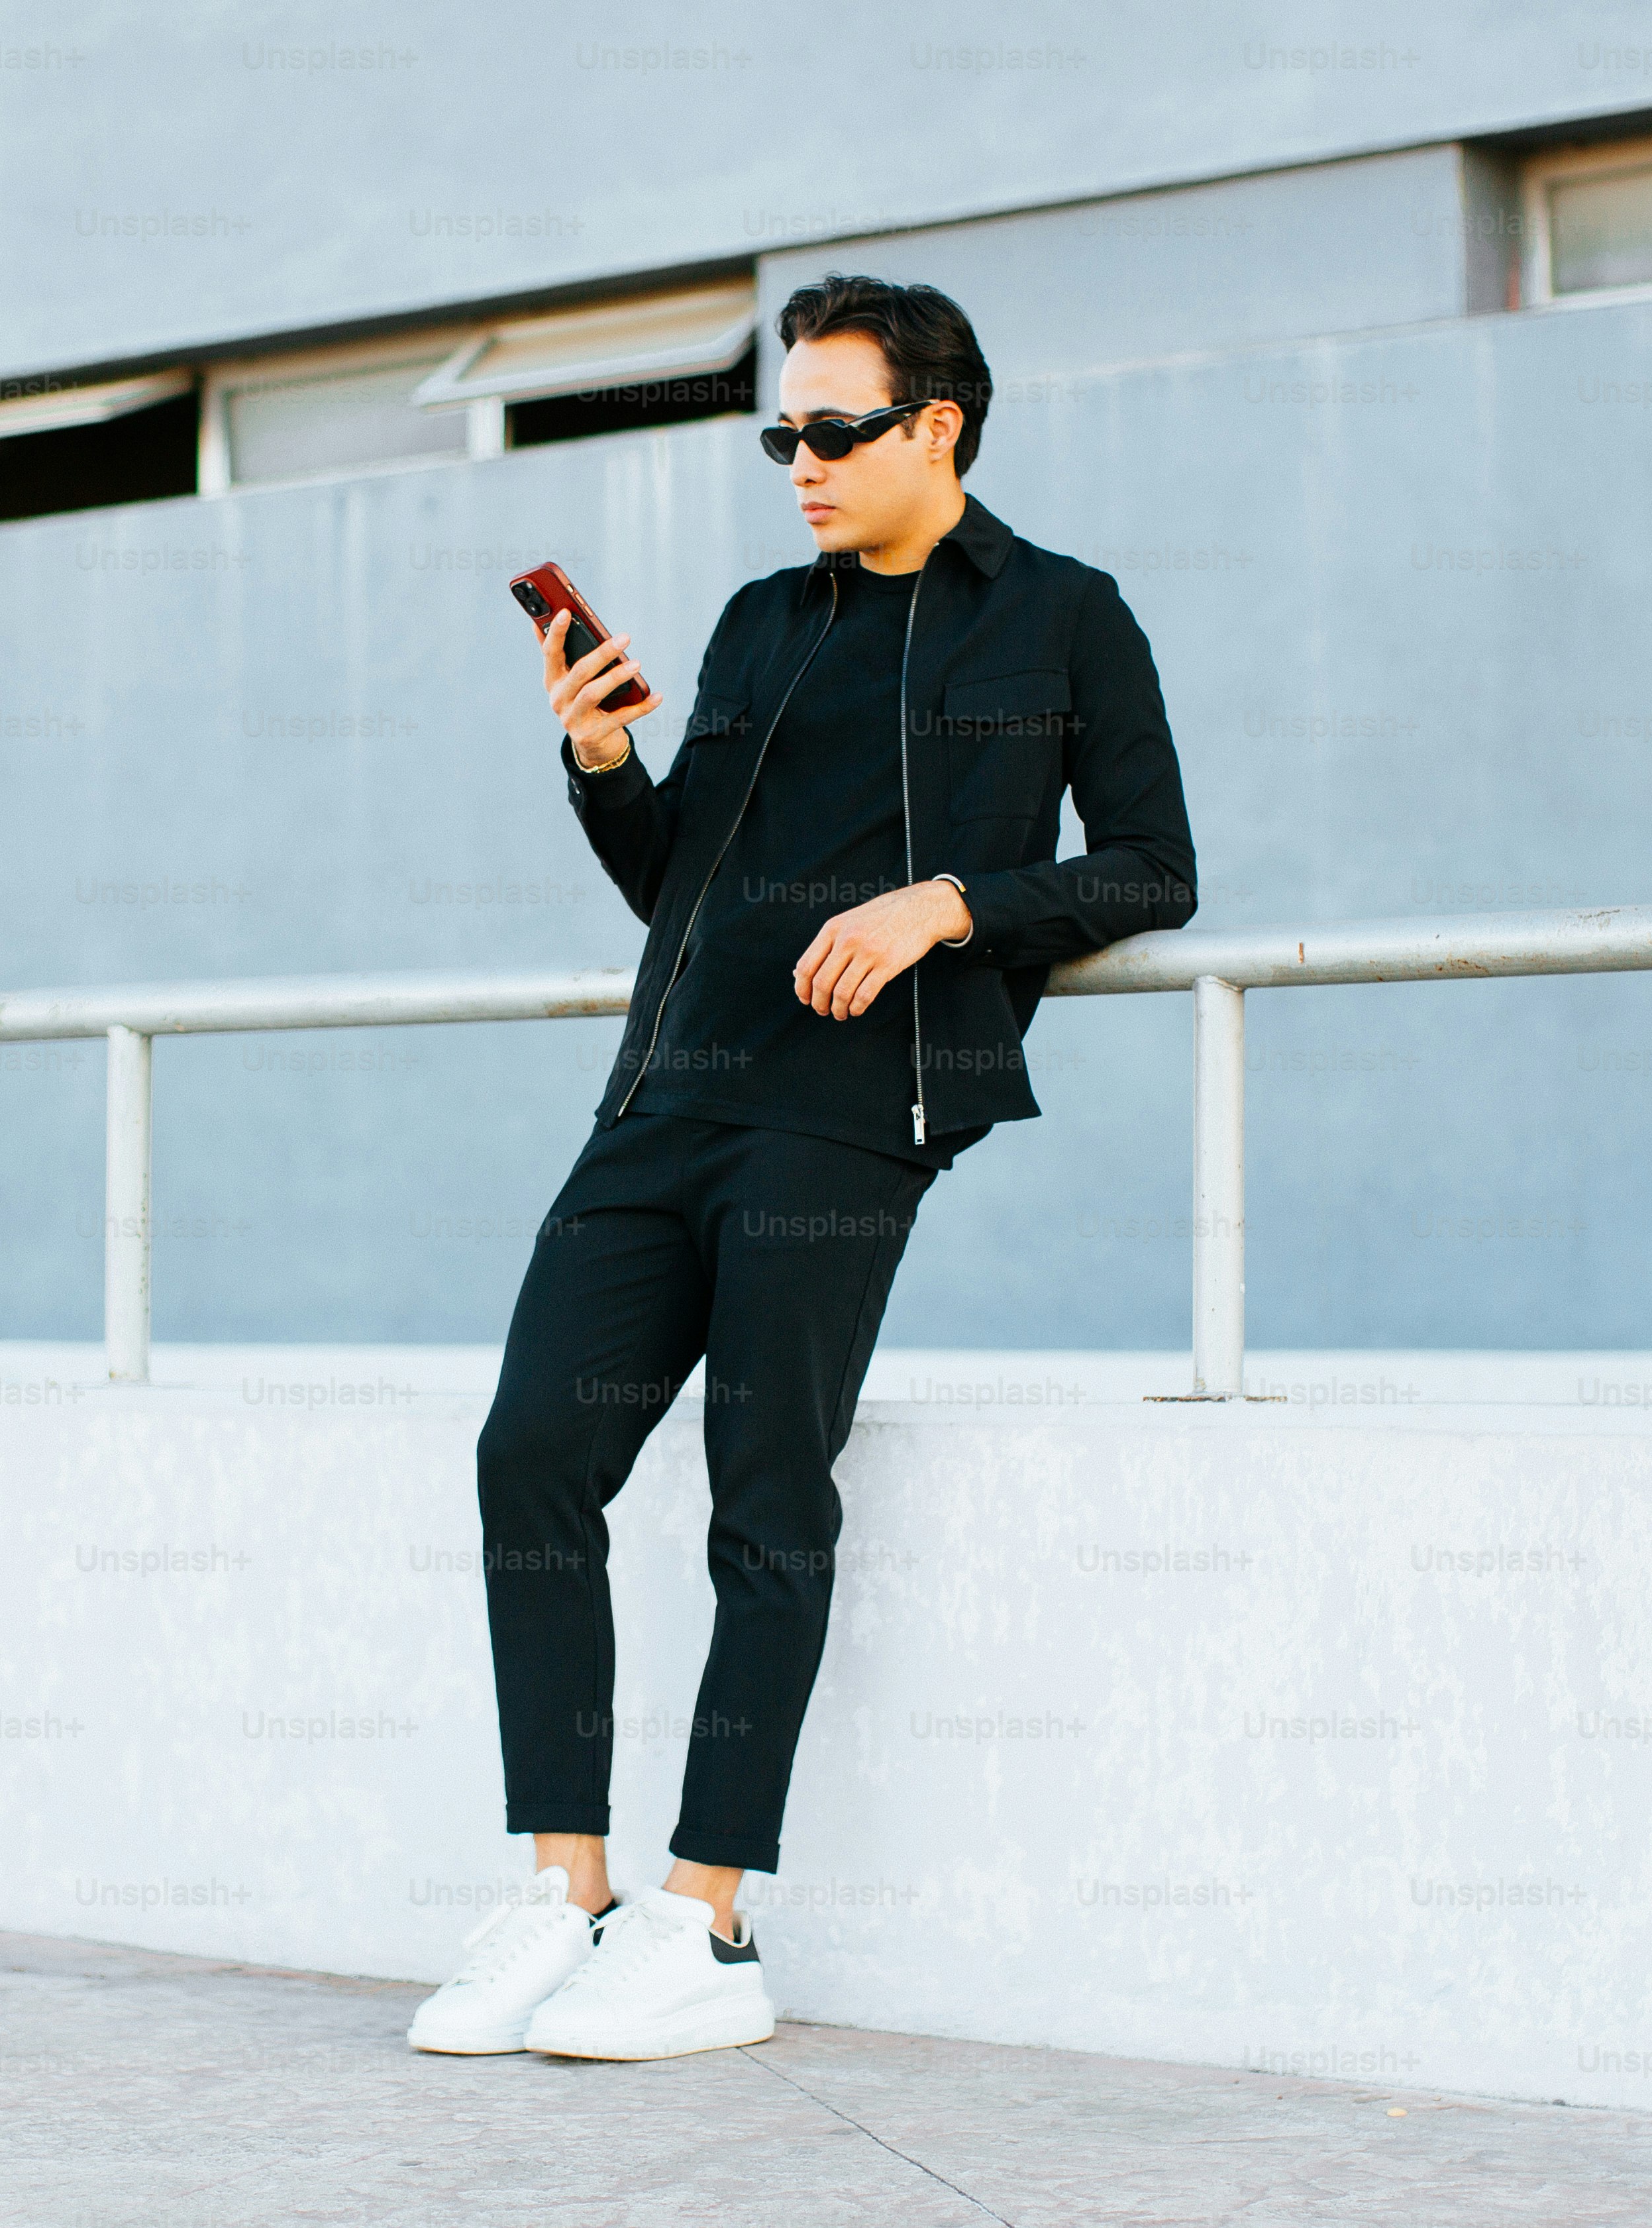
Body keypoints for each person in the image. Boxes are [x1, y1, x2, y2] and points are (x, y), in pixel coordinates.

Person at [408, 275, 1198, 2062]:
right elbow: (676, 878)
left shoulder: (1066, 620)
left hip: (850, 1115)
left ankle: (707, 1921)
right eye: (786, 435)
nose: (803, 465)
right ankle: (565, 1890)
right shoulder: (767, 620)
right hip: (666, 1100)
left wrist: (955, 906)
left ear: (942, 426)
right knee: (532, 1448)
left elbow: (1154, 867)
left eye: (836, 431)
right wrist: (604, 760)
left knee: (764, 1488)